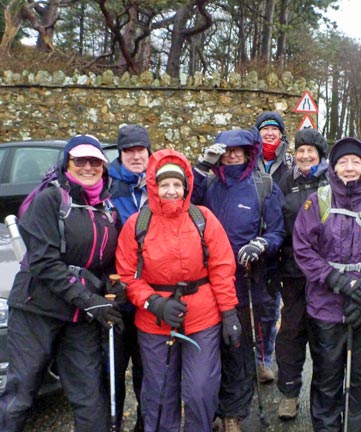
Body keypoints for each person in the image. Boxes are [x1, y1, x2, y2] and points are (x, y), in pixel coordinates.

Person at [0, 135, 123, 432]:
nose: (88, 167)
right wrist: (89, 299)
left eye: (95, 161)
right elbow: (43, 262)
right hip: (36, 309)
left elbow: (106, 262)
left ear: (104, 167)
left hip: (79, 316)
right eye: (79, 160)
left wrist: (113, 286)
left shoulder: (107, 209)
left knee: (89, 396)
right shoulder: (51, 199)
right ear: (66, 163)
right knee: (21, 391)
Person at [115, 149, 240, 432]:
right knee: (159, 396)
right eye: (164, 184)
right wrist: (154, 303)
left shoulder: (203, 218)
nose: (171, 190)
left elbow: (222, 268)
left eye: (177, 184)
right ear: (154, 186)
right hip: (155, 322)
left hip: (202, 319)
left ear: (186, 186)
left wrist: (230, 315)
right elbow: (127, 276)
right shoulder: (138, 224)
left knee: (200, 391)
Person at [293, 137, 361, 431]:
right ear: (333, 166)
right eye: (343, 162)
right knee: (327, 379)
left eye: (356, 161)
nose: (350, 167)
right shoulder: (317, 202)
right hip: (326, 306)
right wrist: (339, 281)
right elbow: (304, 249)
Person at [193, 127, 285, 432]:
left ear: (249, 153)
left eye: (239, 150)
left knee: (238, 349)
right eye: (227, 150)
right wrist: (202, 166)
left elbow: (277, 232)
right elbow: (183, 203)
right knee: (206, 349)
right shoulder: (208, 183)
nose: (232, 155)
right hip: (204, 282)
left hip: (245, 282)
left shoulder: (264, 186)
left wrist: (261, 245)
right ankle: (211, 409)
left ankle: (233, 413)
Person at [275, 128, 329, 420]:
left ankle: (323, 398)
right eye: (301, 150)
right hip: (294, 274)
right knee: (291, 333)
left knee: (325, 335)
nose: (305, 155)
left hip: (326, 276)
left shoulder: (332, 181)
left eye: (311, 151)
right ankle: (289, 393)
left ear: (321, 154)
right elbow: (275, 221)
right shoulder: (285, 181)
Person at [107, 124, 153, 431]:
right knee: (112, 367)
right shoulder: (106, 184)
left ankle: (144, 424)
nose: (136, 156)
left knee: (146, 368)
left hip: (149, 292)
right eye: (129, 151)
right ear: (120, 154)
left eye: (141, 150)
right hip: (115, 291)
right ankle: (112, 421)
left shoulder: (159, 182)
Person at [254, 111, 294, 383]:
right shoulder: (248, 160)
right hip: (250, 242)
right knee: (249, 306)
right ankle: (252, 358)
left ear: (281, 135)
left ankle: (266, 357)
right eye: (264, 130)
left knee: (270, 308)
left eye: (274, 130)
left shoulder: (289, 166)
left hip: (279, 243)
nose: (269, 134)